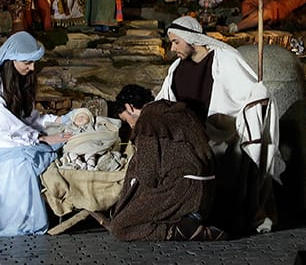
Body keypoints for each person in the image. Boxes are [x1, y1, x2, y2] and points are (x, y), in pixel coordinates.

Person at [156, 16, 284, 236]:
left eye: (176, 41)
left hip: (223, 132)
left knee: (224, 159)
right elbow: (164, 99)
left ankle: (224, 218)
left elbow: (252, 93)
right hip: (187, 135)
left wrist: (258, 100)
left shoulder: (224, 59)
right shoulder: (177, 67)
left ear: (191, 39)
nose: (172, 47)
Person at [0, 32, 72, 236]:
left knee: (50, 146)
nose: (32, 67)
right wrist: (40, 137)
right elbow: (2, 118)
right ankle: (19, 220)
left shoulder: (22, 78)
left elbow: (27, 116)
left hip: (13, 134)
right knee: (20, 162)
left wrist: (57, 120)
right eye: (27, 62)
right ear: (12, 59)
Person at [103, 84, 224, 241]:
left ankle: (179, 229)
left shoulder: (147, 122)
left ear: (130, 107)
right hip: (208, 190)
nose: (131, 125)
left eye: (127, 120)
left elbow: (147, 176)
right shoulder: (180, 112)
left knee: (120, 227)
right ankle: (187, 219)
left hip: (180, 191)